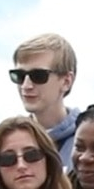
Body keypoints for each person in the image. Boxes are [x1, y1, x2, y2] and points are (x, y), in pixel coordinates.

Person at [11, 33, 82, 169]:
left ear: (67, 81)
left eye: (38, 76)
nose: (26, 85)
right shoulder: (8, 142)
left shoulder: (87, 142)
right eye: (19, 76)